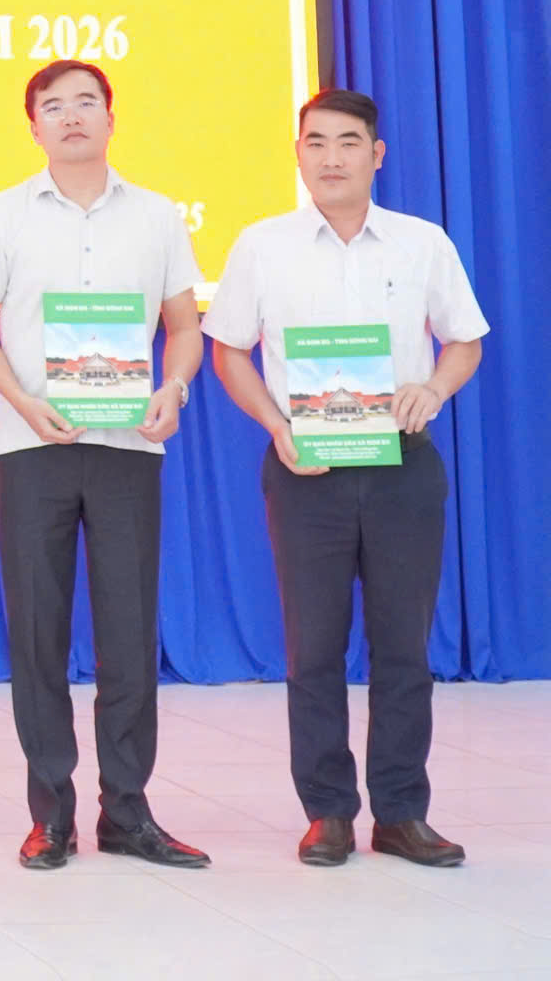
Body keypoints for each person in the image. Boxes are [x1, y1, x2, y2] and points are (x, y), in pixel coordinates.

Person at [205, 88, 486, 869]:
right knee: (313, 650)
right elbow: (229, 351)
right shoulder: (262, 245)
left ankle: (401, 813)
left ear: (376, 153)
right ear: (298, 154)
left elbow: (465, 340)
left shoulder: (421, 243)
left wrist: (435, 387)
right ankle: (326, 812)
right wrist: (276, 425)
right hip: (307, 469)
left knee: (404, 649)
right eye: (316, 142)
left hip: (402, 466)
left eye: (348, 142)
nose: (331, 158)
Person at [0, 62, 210, 870]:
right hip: (33, 444)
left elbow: (184, 326)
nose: (72, 117)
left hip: (129, 445)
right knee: (37, 634)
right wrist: (21, 400)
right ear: (33, 126)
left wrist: (174, 387)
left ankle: (128, 811)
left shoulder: (158, 216)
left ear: (111, 117)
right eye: (54, 106)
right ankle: (51, 815)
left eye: (86, 103)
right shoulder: (2, 215)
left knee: (129, 636)